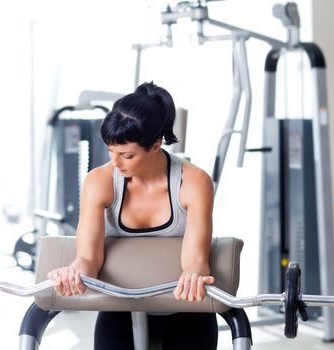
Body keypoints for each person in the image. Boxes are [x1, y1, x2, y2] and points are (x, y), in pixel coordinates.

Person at [47, 81, 218, 349]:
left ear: (156, 144)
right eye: (111, 151)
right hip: (121, 305)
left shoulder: (194, 182)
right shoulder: (99, 181)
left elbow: (196, 260)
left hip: (184, 306)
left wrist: (195, 274)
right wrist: (73, 272)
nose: (115, 163)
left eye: (127, 155)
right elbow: (88, 258)